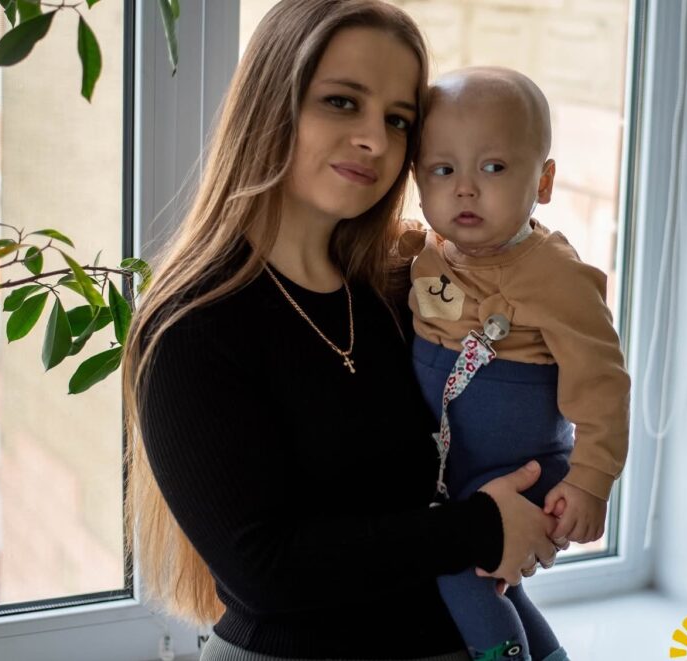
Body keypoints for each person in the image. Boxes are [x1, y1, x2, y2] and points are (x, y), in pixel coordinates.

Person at [122, 3, 565, 660]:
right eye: (342, 102)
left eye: (398, 120)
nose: (375, 141)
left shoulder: (404, 287)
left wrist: (556, 493)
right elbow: (266, 569)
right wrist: (481, 528)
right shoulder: (190, 326)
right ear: (271, 105)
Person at [402, 67, 631, 661]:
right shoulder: (422, 252)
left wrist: (591, 482)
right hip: (459, 471)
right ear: (417, 179)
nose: (465, 189)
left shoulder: (557, 277)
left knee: (461, 568)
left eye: (494, 167)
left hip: (526, 470)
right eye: (443, 170)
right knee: (500, 584)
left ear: (544, 181)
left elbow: (603, 385)